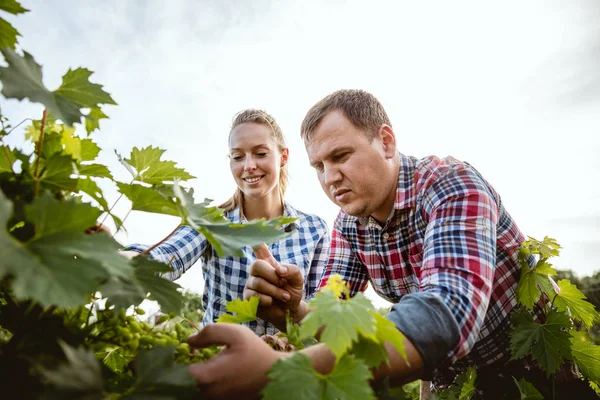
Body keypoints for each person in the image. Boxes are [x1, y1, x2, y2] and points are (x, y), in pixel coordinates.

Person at [186, 90, 597, 400]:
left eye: (341, 156)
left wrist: (281, 369)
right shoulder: (348, 226)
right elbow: (331, 318)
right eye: (319, 167)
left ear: (385, 141)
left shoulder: (450, 185)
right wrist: (295, 310)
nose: (330, 178)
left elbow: (447, 307)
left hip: (541, 369)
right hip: (453, 380)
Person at [123, 109, 330, 335]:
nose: (248, 165)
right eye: (238, 157)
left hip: (290, 366)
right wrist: (115, 259)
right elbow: (166, 258)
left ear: (283, 157)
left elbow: (318, 313)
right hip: (220, 362)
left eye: (260, 153)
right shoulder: (212, 221)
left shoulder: (314, 229)